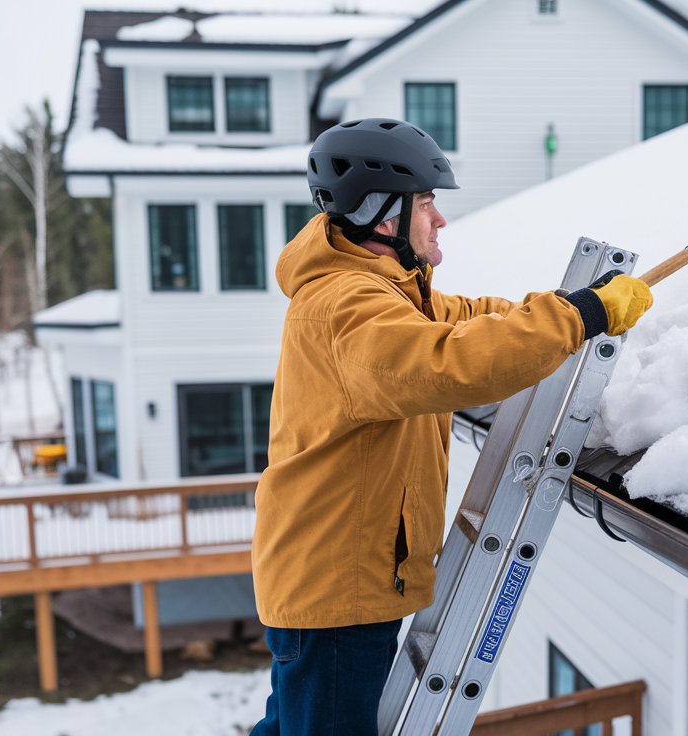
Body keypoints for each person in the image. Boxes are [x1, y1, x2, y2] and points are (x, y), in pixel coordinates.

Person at [250, 118, 652, 735]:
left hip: (340, 584)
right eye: (428, 203)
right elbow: (450, 362)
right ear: (384, 216)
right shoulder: (347, 308)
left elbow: (467, 321)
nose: (439, 220)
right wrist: (581, 318)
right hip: (337, 594)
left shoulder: (386, 293)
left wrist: (564, 308)